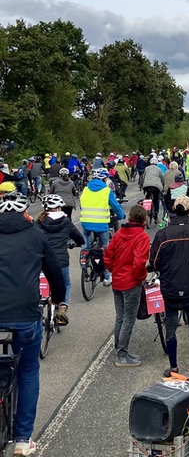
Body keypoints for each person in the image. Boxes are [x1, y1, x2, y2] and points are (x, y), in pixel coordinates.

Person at [0, 191, 66, 456]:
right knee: (27, 371)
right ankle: (22, 440)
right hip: (25, 315)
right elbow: (54, 273)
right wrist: (59, 299)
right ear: (25, 211)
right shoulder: (36, 234)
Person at [149, 195, 189, 376]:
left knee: (170, 327)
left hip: (170, 287)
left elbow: (154, 261)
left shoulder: (163, 234)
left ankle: (174, 367)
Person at [104, 205, 151, 367]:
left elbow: (108, 256)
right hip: (131, 282)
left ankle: (119, 348)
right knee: (129, 319)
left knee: (120, 317)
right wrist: (140, 277)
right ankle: (122, 355)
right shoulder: (142, 237)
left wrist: (114, 270)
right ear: (144, 219)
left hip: (117, 280)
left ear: (130, 218)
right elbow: (139, 263)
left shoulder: (119, 234)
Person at [35, 194, 85, 325]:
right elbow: (79, 238)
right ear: (58, 208)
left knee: (40, 283)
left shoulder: (38, 222)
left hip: (42, 261)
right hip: (61, 260)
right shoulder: (66, 222)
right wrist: (77, 243)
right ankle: (62, 308)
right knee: (66, 284)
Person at [79, 168, 125, 286]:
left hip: (85, 222)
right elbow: (115, 206)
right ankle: (106, 276)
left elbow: (81, 205)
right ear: (103, 179)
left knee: (87, 243)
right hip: (101, 224)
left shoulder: (85, 189)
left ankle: (84, 256)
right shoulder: (106, 191)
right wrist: (121, 216)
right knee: (105, 248)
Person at [142, 157, 165, 223]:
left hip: (146, 185)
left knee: (147, 197)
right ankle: (156, 215)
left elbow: (144, 177)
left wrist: (143, 184)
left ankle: (145, 210)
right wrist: (163, 186)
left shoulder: (146, 168)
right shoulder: (159, 169)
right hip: (156, 186)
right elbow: (162, 179)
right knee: (156, 200)